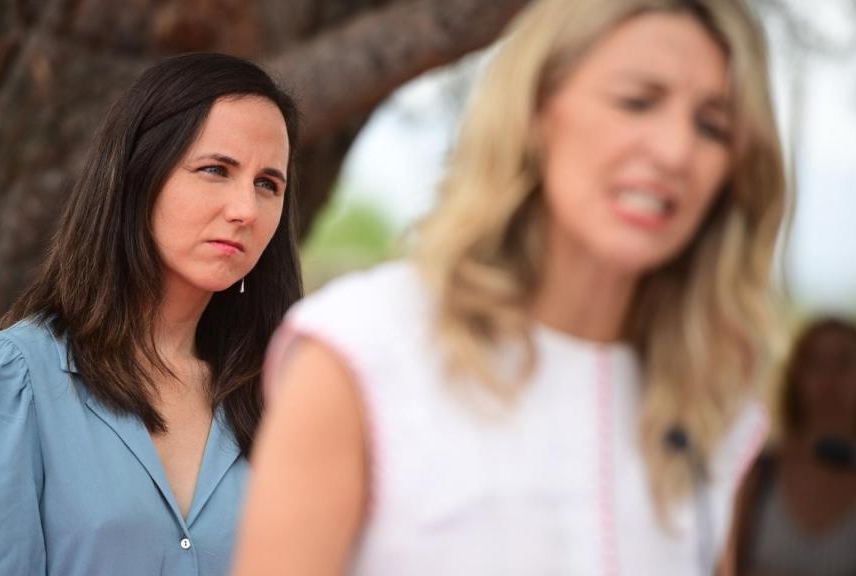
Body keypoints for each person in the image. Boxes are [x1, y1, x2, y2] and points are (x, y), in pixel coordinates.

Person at [234, 0, 787, 574]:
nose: (675, 151)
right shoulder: (364, 350)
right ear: (538, 107)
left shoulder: (714, 402)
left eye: (713, 125)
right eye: (637, 102)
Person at [0, 52, 302, 575]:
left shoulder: (279, 395)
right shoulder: (16, 378)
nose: (246, 209)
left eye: (268, 184)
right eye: (215, 170)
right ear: (137, 176)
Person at [727, 318, 856, 576]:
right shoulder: (759, 473)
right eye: (816, 364)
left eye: (844, 363)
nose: (829, 379)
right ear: (796, 377)